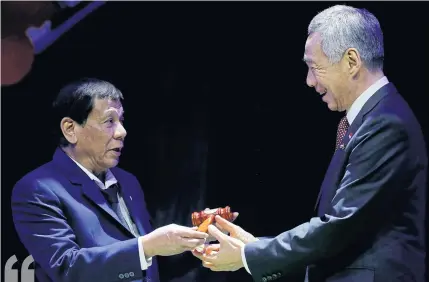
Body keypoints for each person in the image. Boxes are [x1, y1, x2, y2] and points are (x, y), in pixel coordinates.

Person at [193, 5, 427, 282]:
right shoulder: (369, 120)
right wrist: (254, 247)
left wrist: (250, 255)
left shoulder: (386, 124)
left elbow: (339, 227)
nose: (309, 81)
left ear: (351, 61)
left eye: (314, 67)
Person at [11, 78, 209, 282]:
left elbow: (150, 266)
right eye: (109, 121)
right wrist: (146, 246)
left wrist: (201, 238)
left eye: (121, 121)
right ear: (70, 129)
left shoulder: (128, 182)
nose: (122, 132)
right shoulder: (37, 189)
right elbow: (67, 268)